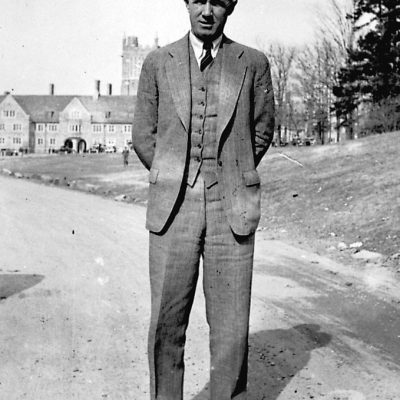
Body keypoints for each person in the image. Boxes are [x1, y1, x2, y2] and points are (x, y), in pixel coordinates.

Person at [132, 0, 274, 398]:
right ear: (187, 4)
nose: (207, 11)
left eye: (217, 2)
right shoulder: (159, 62)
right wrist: (174, 175)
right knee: (166, 322)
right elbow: (144, 135)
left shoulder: (254, 63)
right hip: (172, 210)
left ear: (230, 7)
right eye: (198, 0)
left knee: (231, 326)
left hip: (232, 209)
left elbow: (262, 131)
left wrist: (231, 169)